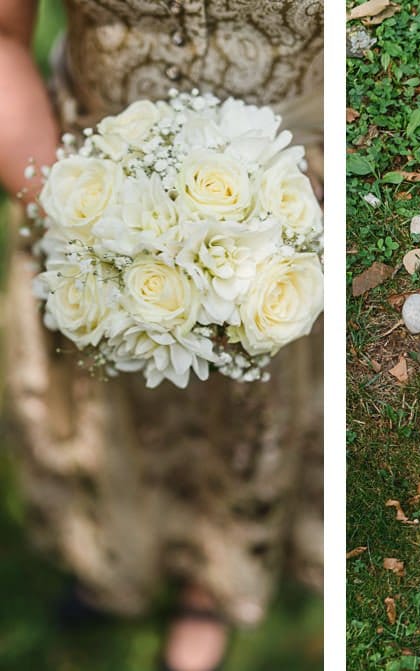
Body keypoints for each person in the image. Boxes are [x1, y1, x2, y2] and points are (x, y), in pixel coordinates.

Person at [0, 2, 324, 670]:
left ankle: (212, 583)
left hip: (297, 195)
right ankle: (117, 557)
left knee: (248, 420)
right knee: (117, 410)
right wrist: (80, 221)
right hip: (88, 190)